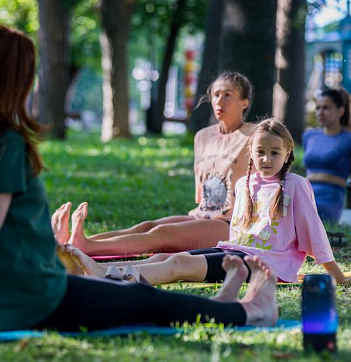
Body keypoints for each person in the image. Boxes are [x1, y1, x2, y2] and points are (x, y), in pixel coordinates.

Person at [0, 25, 279, 344]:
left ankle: (225, 305)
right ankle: (251, 311)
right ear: (5, 82)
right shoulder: (3, 145)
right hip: (30, 301)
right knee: (138, 300)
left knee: (133, 294)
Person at [59, 119, 351, 286]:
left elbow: (314, 235)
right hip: (235, 251)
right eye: (260, 152)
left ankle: (107, 277)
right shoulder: (243, 184)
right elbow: (238, 234)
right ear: (250, 152)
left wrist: (338, 277)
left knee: (178, 263)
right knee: (162, 258)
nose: (267, 159)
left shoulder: (296, 186)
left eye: (275, 153)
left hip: (264, 266)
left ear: (288, 153)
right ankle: (104, 272)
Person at [53, 71, 256, 257]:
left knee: (162, 233)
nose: (220, 100)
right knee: (146, 226)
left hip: (231, 222)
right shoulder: (203, 136)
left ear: (244, 102)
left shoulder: (254, 136)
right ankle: (70, 241)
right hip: (202, 215)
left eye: (228, 95)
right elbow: (201, 195)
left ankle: (86, 247)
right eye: (216, 94)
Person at [302, 88, 351, 224]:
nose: (320, 112)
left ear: (340, 111)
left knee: (304, 212)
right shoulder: (309, 136)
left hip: (330, 199)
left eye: (326, 108)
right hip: (306, 193)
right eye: (318, 108)